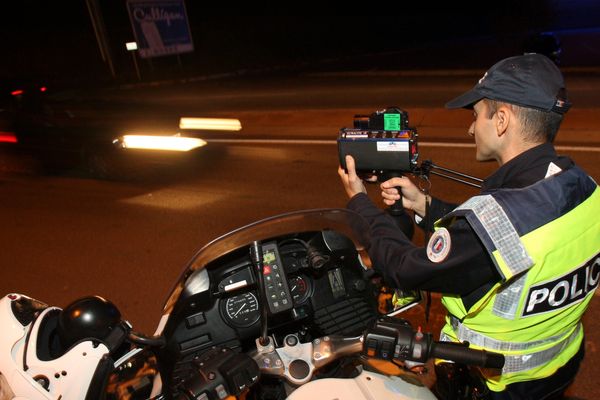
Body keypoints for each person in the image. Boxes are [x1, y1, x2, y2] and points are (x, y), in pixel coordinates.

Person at [338, 53, 600, 399]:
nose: (471, 127)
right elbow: (502, 229)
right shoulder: (583, 187)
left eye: (477, 115)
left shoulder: (500, 220)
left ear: (502, 120)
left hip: (497, 385)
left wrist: (359, 202)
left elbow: (406, 269)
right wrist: (424, 205)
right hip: (559, 366)